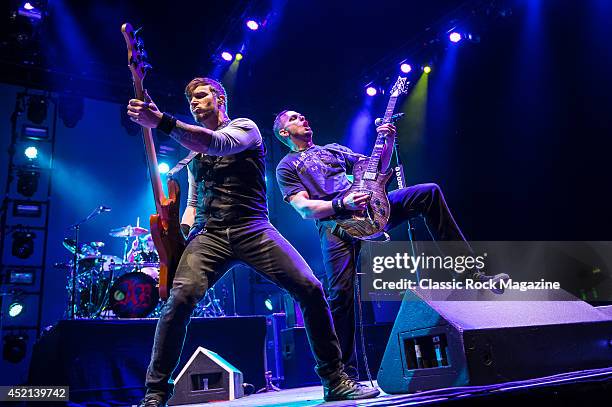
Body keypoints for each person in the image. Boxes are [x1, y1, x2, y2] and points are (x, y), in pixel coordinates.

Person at [127, 79, 379, 406]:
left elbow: (217, 144)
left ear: (220, 99)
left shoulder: (246, 128)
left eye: (200, 96)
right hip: (210, 234)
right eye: (190, 99)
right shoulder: (193, 152)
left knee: (310, 288)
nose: (193, 102)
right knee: (178, 301)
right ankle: (155, 395)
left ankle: (335, 379)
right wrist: (177, 239)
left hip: (253, 227)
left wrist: (161, 121)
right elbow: (192, 202)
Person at [273, 110, 509, 379]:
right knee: (340, 296)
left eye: (303, 116)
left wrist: (386, 143)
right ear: (284, 132)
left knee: (428, 192)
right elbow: (304, 208)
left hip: (370, 207)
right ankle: (343, 375)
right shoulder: (287, 166)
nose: (302, 118)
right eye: (294, 118)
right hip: (335, 225)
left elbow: (375, 171)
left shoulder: (333, 150)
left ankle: (470, 275)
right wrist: (341, 204)